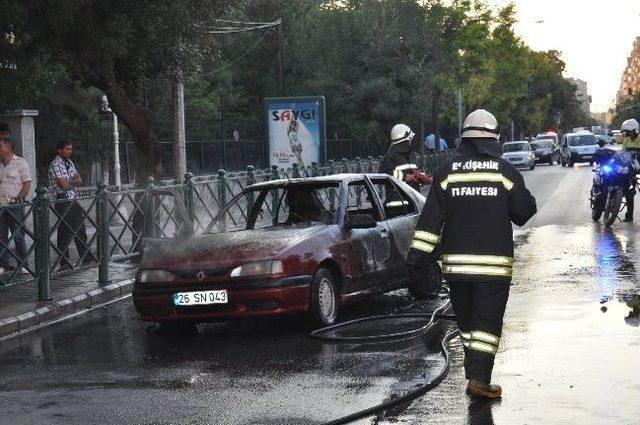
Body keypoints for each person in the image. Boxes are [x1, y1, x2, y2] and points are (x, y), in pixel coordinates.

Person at [407, 109, 537, 399]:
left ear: (464, 139)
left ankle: (474, 371)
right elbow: (524, 212)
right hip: (493, 270)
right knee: (486, 326)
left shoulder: (445, 174)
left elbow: (429, 223)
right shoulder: (504, 171)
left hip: (457, 269)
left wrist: (416, 259)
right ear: (493, 138)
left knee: (467, 323)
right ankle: (479, 379)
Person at [48, 140, 95, 270]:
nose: (69, 152)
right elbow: (62, 186)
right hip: (62, 200)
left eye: (70, 149)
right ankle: (64, 262)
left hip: (73, 198)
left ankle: (86, 258)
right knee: (65, 232)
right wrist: (71, 183)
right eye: (67, 149)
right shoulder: (55, 164)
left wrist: (69, 183)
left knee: (81, 229)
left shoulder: (70, 163)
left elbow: (79, 180)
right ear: (59, 150)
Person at [0, 138, 31, 275]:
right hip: (1, 205)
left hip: (14, 206)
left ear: (7, 148)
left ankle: (23, 264)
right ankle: (3, 264)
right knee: (1, 236)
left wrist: (17, 201)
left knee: (18, 235)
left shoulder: (20, 162)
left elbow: (27, 183)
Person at [380, 124, 431, 190]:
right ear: (406, 139)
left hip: (412, 198)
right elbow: (382, 174)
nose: (411, 141)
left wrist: (421, 177)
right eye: (410, 138)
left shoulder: (410, 155)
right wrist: (404, 176)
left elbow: (411, 173)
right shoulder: (391, 155)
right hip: (397, 198)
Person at [620, 118, 640, 222]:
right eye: (627, 132)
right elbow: (622, 154)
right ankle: (629, 216)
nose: (629, 134)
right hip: (631, 171)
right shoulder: (626, 141)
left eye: (630, 131)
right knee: (629, 192)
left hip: (639, 171)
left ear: (636, 130)